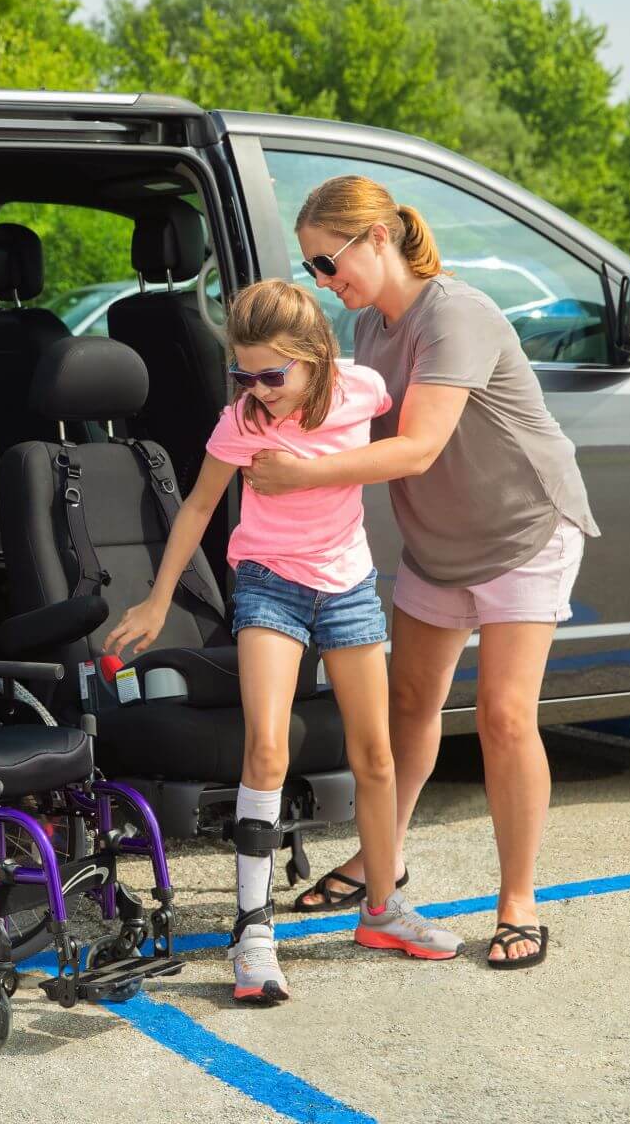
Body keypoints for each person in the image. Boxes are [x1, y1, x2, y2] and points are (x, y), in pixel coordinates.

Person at [251, 174, 600, 970]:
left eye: (327, 263)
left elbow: (417, 447)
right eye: (311, 271)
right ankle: (385, 861)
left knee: (505, 718)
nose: (324, 283)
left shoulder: (458, 315)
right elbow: (325, 413)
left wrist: (296, 477)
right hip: (438, 542)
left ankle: (518, 899)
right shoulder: (366, 326)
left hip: (522, 532)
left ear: (377, 238)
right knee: (409, 704)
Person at [104, 278, 465, 1007]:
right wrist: (158, 596)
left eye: (274, 374)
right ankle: (253, 933)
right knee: (267, 748)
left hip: (349, 587)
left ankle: (382, 910)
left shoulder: (363, 391)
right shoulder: (242, 420)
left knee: (376, 754)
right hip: (269, 584)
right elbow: (198, 506)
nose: (260, 389)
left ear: (317, 357)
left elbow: (432, 411)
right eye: (245, 373)